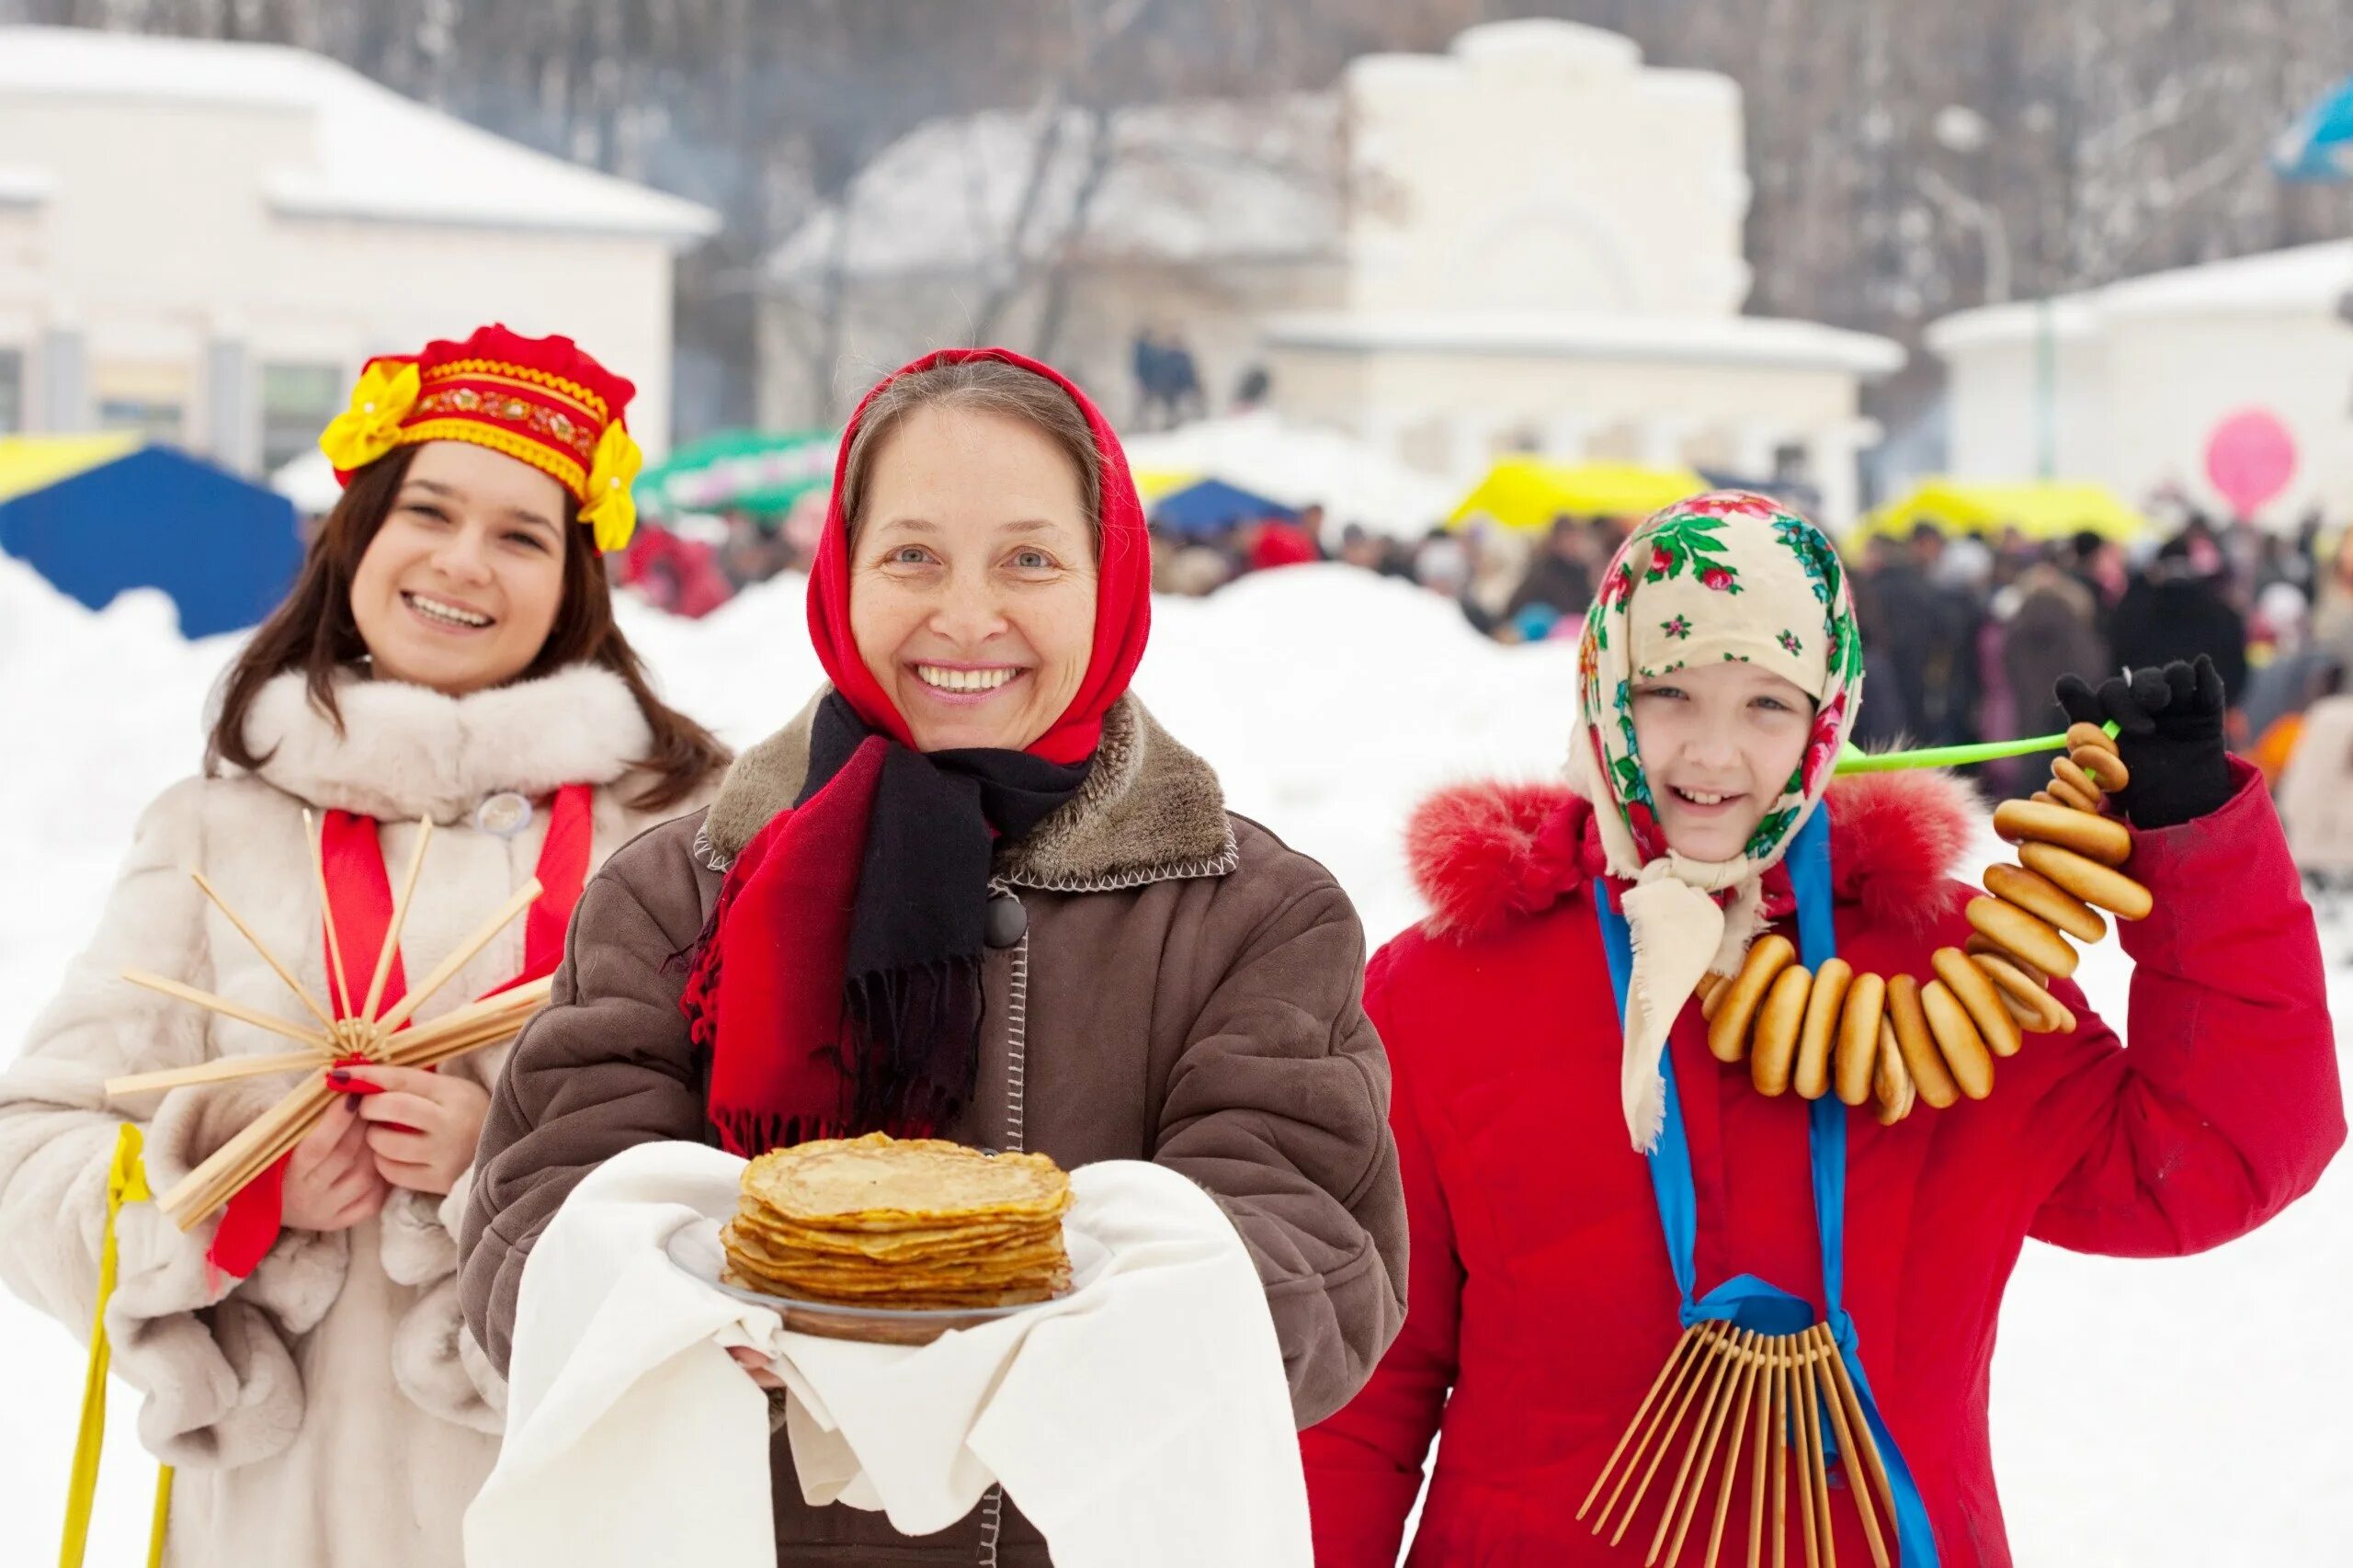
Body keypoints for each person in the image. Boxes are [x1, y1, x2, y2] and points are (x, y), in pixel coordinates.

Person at [460, 347, 1407, 1563]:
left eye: (1029, 557)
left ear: (1110, 580)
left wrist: (1085, 1319)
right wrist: (671, 1303)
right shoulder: (673, 891)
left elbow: (1322, 1262)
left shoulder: (1253, 913)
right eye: (912, 554)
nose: (966, 615)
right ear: (839, 575)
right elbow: (526, 1235)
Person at [1301, 490, 2340, 1565]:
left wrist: (2194, 840)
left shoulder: (1946, 970)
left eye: (1766, 703)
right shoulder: (1445, 986)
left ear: (1827, 717)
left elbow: (2214, 1155)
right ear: (1603, 689)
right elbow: (1353, 1394)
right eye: (1668, 693)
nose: (1713, 754)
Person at [0, 324, 730, 1568]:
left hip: (586, 1514)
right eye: (428, 512)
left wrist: (505, 1164)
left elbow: (760, 1171)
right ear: (358, 537)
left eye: (521, 534)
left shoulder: (672, 845)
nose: (462, 561)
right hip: (277, 1531)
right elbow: (31, 1155)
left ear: (577, 582)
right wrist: (229, 1195)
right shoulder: (211, 835)